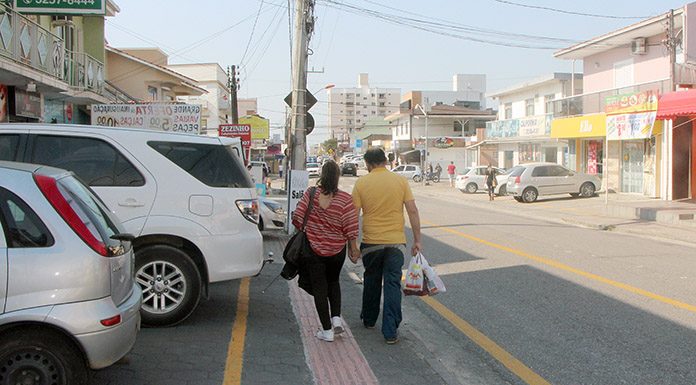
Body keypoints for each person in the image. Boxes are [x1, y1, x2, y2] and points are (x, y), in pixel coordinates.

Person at [351, 148, 421, 345]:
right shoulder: (400, 181)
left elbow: (353, 216)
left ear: (368, 164)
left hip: (371, 243)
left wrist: (353, 245)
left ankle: (370, 319)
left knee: (371, 280)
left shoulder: (361, 183)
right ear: (384, 161)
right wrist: (417, 240)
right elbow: (413, 211)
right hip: (396, 243)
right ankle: (390, 331)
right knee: (392, 284)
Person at [292, 161, 360, 343]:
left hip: (313, 251)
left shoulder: (311, 194)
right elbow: (351, 227)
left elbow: (298, 217)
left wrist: (308, 227)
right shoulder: (345, 200)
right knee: (334, 282)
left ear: (322, 175)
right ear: (337, 177)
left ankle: (327, 330)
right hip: (337, 251)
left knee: (320, 289)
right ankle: (336, 318)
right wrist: (353, 249)